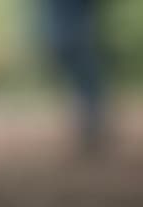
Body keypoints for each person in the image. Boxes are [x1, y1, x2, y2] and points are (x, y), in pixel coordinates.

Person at [41, 0, 110, 157]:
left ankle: (90, 128)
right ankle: (90, 127)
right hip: (75, 36)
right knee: (86, 82)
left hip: (68, 37)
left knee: (84, 82)